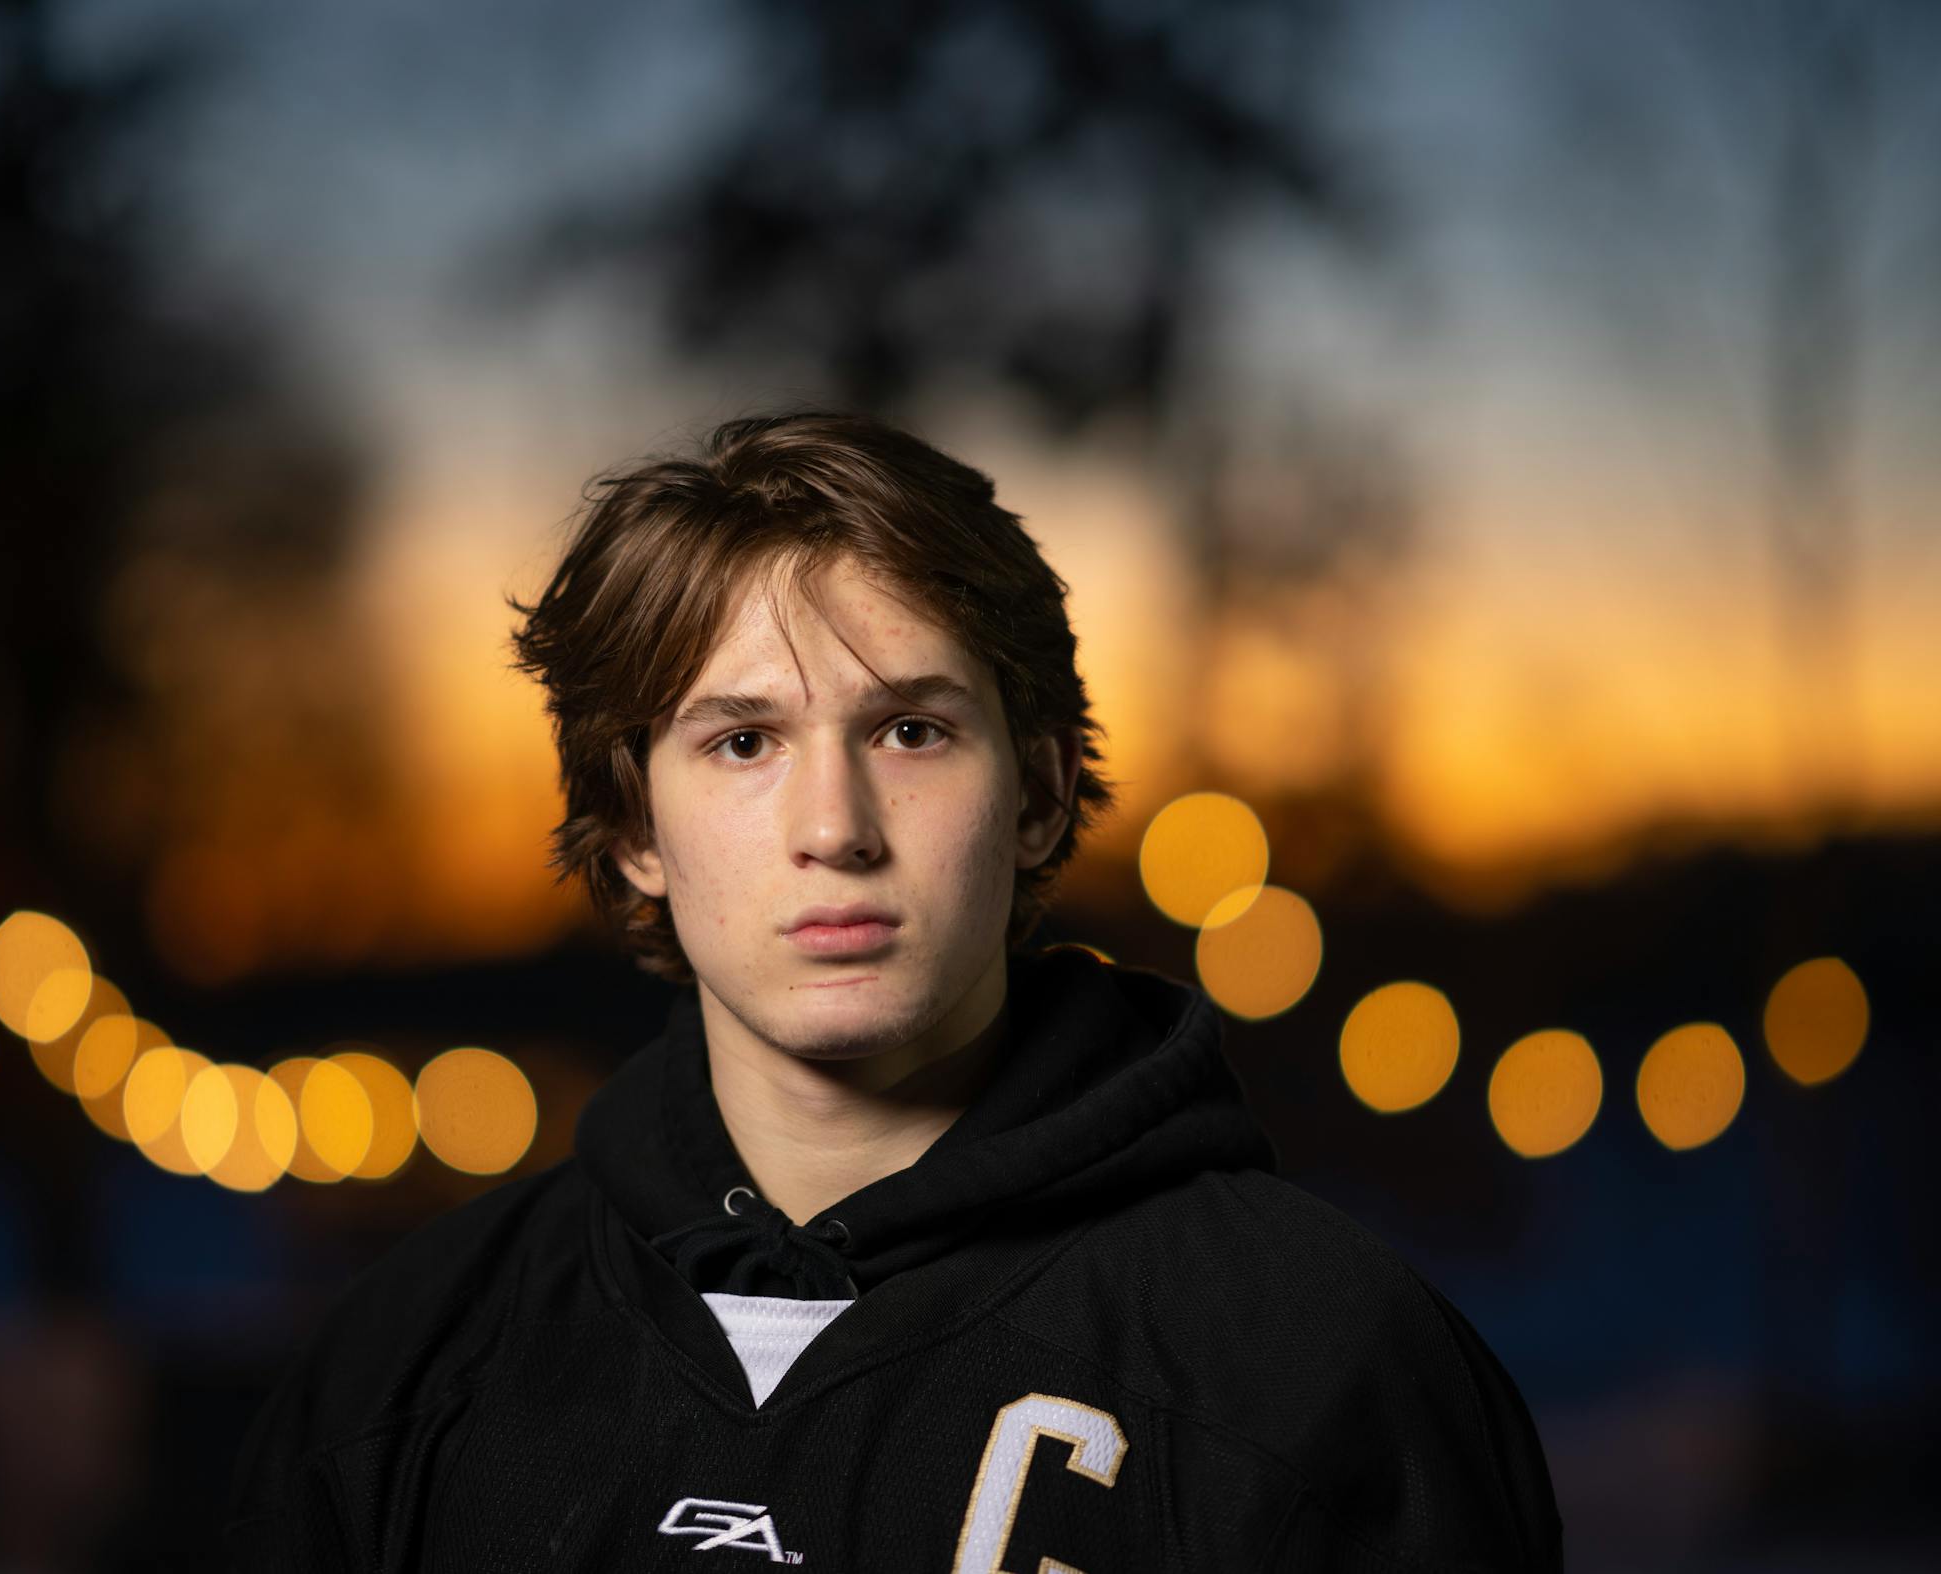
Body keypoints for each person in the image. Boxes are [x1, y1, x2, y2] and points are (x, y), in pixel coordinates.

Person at [224, 410, 1563, 1571]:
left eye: (910, 730)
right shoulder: (406, 1365)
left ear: (1037, 795)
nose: (835, 827)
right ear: (635, 828)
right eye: (743, 741)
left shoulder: (1324, 1359)